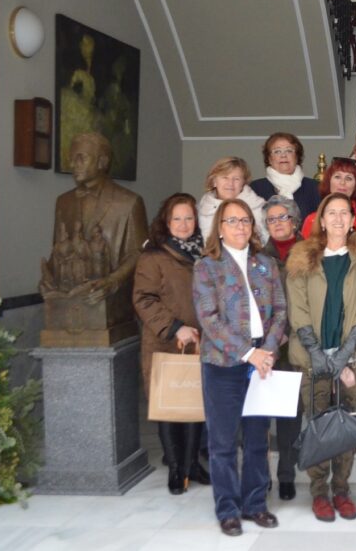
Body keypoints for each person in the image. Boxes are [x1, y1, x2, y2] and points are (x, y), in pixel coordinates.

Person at [192, 198, 287, 537]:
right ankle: (228, 509)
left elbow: (280, 311)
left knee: (258, 439)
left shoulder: (266, 264)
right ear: (220, 228)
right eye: (232, 221)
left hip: (263, 362)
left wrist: (269, 351)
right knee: (223, 443)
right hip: (224, 365)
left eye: (245, 220)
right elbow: (209, 320)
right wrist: (249, 353)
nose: (240, 227)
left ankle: (255, 504)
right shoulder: (206, 267)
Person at [285, 193, 356, 522]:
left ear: (353, 220)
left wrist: (342, 357)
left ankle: (341, 489)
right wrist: (318, 353)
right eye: (332, 213)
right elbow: (297, 312)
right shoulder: (302, 258)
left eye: (345, 213)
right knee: (317, 426)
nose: (339, 219)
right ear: (321, 220)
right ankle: (318, 492)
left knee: (345, 425)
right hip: (311, 358)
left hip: (352, 357)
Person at [133, 192, 209, 496]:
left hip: (201, 343)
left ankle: (192, 464)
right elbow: (143, 299)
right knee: (168, 406)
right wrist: (175, 327)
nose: (183, 223)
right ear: (166, 221)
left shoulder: (204, 253)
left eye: (188, 217)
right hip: (165, 343)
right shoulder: (153, 256)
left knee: (194, 406)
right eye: (177, 218)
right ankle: (176, 468)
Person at [40, 132, 147, 311]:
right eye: (72, 158)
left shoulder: (129, 202)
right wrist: (48, 277)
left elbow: (138, 253)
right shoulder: (63, 202)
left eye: (82, 158)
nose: (74, 164)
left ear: (102, 162)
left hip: (112, 302)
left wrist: (112, 281)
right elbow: (58, 249)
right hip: (68, 301)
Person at [256, 195, 304, 502]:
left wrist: (287, 333)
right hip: (263, 348)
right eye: (271, 219)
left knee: (290, 418)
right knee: (259, 418)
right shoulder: (258, 257)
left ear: (295, 221)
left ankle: (287, 474)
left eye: (282, 218)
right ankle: (260, 476)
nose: (277, 224)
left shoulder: (310, 253)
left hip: (295, 346)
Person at [197, 157, 268, 244]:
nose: (230, 183)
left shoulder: (260, 208)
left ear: (243, 183)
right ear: (214, 181)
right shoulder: (200, 211)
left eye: (236, 179)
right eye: (225, 177)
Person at [250, 132, 321, 219]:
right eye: (277, 151)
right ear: (269, 159)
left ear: (297, 157)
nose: (283, 155)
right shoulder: (255, 188)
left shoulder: (314, 187)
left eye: (289, 151)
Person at [300, 158, 356, 238]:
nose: (342, 182)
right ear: (329, 181)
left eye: (348, 178)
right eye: (337, 177)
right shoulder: (312, 220)